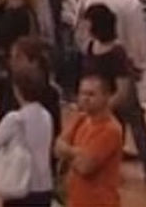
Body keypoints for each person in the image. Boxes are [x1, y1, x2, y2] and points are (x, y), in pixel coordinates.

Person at [80, 4, 146, 183]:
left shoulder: (116, 53)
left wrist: (105, 106)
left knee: (138, 132)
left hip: (121, 99)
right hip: (103, 98)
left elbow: (123, 88)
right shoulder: (91, 47)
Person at [0, 69, 55, 207]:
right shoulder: (47, 116)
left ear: (17, 91)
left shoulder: (15, 119)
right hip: (44, 186)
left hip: (20, 185)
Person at [56, 72, 125, 207]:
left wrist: (68, 152)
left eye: (91, 94)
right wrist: (78, 153)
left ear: (106, 97)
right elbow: (57, 147)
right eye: (82, 94)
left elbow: (85, 167)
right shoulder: (80, 119)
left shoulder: (110, 130)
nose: (85, 98)